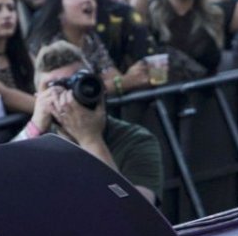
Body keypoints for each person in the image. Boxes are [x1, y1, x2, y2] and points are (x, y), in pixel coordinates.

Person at [15, 42, 161, 201]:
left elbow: (136, 214)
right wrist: (35, 127)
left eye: (76, 83)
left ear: (98, 87)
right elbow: (1, 179)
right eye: (55, 87)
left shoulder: (136, 140)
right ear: (39, 99)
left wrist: (90, 139)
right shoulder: (37, 145)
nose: (68, 98)